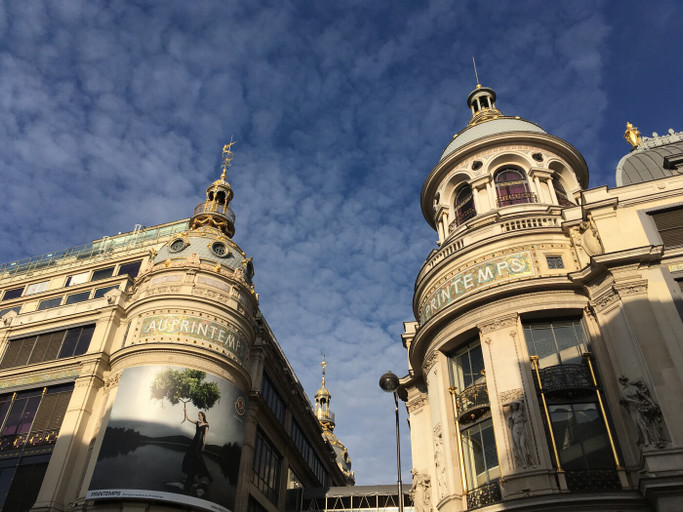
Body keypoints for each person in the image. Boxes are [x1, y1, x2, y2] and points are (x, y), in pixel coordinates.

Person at [183, 403, 213, 492]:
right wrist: (185, 412)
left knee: (198, 458)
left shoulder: (206, 425)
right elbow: (188, 419)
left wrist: (204, 445)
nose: (199, 417)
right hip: (194, 442)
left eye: (200, 415)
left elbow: (205, 436)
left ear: (203, 416)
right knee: (189, 456)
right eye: (198, 415)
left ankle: (206, 475)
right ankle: (190, 474)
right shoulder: (197, 422)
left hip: (199, 444)